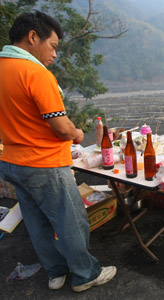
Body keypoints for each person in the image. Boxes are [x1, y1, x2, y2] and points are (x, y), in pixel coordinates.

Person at [0, 11, 116, 292]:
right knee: (71, 221)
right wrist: (77, 133)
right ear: (32, 37)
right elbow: (61, 128)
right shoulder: (35, 73)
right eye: (52, 46)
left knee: (35, 221)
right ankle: (85, 274)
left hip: (10, 161)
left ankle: (55, 273)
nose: (54, 55)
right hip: (44, 163)